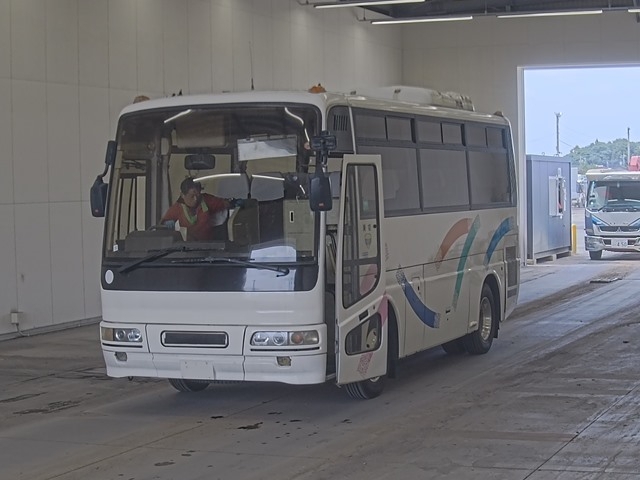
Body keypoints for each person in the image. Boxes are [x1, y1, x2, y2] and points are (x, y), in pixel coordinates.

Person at [162, 177, 239, 241]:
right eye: (192, 196)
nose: (195, 199)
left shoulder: (206, 200)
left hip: (208, 244)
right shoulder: (177, 207)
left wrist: (235, 202)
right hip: (189, 247)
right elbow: (163, 223)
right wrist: (167, 222)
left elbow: (223, 203)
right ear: (182, 195)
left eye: (197, 195)